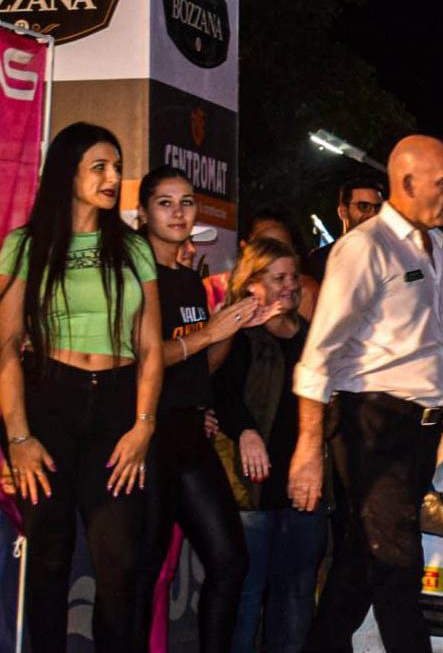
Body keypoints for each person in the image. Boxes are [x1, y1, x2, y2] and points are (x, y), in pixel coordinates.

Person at [288, 135, 443, 653]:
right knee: (397, 568)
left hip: (417, 432)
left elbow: (423, 347)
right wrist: (308, 448)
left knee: (358, 566)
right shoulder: (365, 248)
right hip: (372, 426)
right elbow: (320, 354)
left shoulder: (434, 246)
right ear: (408, 183)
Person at [0, 122, 163, 651]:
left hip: (118, 405)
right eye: (100, 167)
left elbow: (151, 348)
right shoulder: (27, 245)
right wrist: (18, 437)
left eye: (117, 167)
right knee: (49, 557)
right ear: (67, 173)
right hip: (50, 400)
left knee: (120, 560)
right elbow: (5, 347)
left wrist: (143, 425)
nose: (113, 177)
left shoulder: (134, 248)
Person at [134, 167, 255, 651]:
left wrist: (232, 324)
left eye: (186, 202)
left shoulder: (188, 281)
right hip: (146, 434)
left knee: (230, 559)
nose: (179, 212)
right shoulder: (134, 275)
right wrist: (209, 333)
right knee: (142, 571)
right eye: (165, 203)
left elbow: (199, 363)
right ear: (142, 213)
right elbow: (142, 357)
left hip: (188, 432)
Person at [212, 238, 323, 652]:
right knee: (248, 594)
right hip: (253, 486)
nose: (291, 285)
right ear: (252, 282)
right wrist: (244, 430)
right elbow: (219, 391)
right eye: (279, 278)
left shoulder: (311, 337)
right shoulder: (238, 334)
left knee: (296, 595)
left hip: (302, 487)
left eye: (293, 276)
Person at [307, 178, 384, 281]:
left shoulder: (392, 253)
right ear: (343, 211)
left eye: (378, 208)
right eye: (364, 206)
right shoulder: (321, 259)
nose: (373, 214)